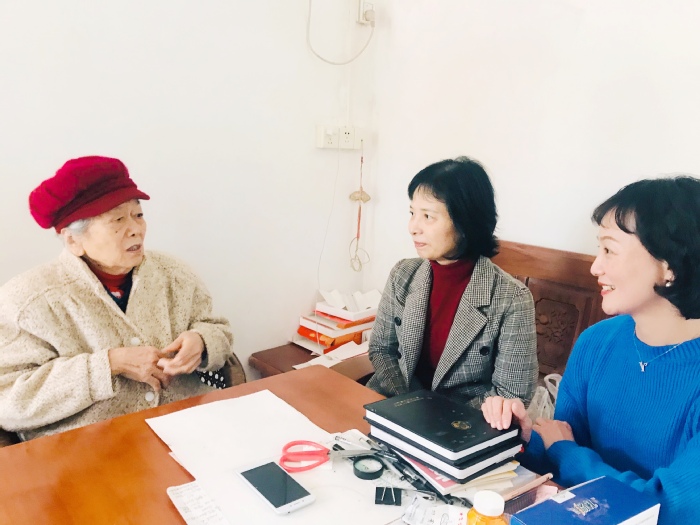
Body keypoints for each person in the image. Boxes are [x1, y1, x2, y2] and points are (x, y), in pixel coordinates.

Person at [482, 176, 700, 523]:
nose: (595, 267)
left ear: (668, 266)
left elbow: (668, 509)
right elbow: (560, 448)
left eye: (609, 250)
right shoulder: (597, 341)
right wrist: (523, 433)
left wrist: (566, 452)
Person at [0, 156, 236, 440]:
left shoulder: (174, 274)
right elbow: (8, 401)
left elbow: (218, 330)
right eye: (118, 219)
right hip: (87, 447)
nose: (136, 229)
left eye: (138, 215)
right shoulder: (28, 301)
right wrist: (108, 364)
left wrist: (202, 342)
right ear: (73, 240)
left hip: (187, 429)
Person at [366, 156, 538, 406]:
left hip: (463, 421)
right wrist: (409, 405)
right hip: (394, 403)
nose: (413, 227)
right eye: (412, 213)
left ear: (465, 222)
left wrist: (442, 417)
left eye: (428, 216)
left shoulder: (511, 299)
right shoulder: (403, 274)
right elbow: (382, 349)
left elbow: (512, 393)